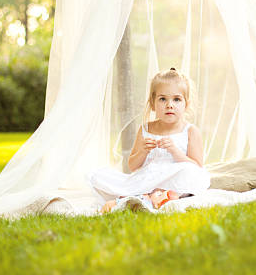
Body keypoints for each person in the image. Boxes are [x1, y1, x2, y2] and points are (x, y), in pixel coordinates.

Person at [89, 67, 210, 210]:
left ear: (186, 104)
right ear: (153, 104)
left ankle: (152, 197)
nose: (169, 105)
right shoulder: (146, 129)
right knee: (98, 177)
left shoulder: (190, 131)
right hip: (149, 178)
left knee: (191, 173)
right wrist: (143, 151)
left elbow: (196, 166)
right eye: (162, 99)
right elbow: (133, 166)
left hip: (175, 178)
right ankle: (146, 196)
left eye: (177, 99)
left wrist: (175, 152)